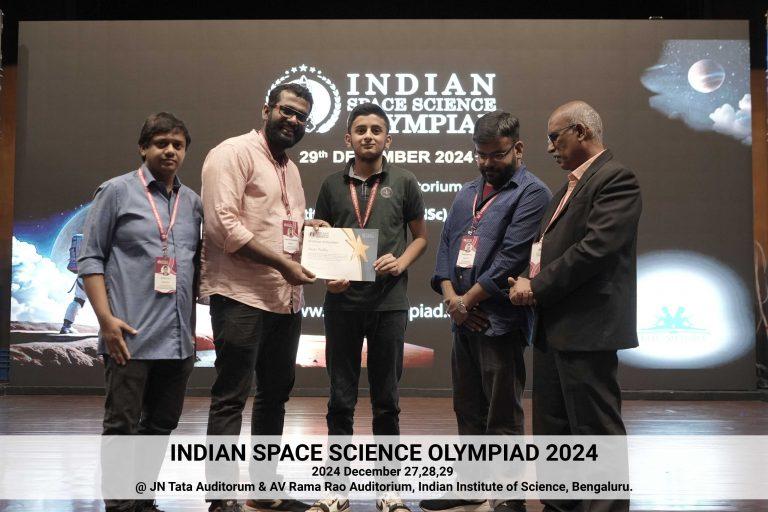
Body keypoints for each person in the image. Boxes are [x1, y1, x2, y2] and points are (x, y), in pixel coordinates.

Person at [509, 101, 642, 512]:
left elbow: (595, 250)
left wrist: (536, 286)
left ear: (581, 132)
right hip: (553, 327)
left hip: (588, 329)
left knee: (594, 431)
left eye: (555, 137)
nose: (549, 147)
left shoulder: (615, 179)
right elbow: (547, 250)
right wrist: (525, 281)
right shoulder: (566, 189)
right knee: (554, 430)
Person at [200, 83, 327, 512]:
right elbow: (223, 226)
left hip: (284, 300)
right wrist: (281, 264)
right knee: (231, 397)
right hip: (241, 296)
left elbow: (279, 228)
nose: (293, 121)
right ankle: (221, 498)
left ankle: (264, 489)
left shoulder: (291, 168)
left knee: (274, 396)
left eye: (302, 117)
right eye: (286, 111)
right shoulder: (232, 153)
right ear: (266, 109)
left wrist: (309, 231)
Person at [421, 111, 551, 512]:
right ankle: (472, 484)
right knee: (467, 407)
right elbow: (446, 248)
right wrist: (453, 300)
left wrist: (467, 301)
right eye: (480, 154)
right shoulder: (466, 193)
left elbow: (512, 257)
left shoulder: (533, 193)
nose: (487, 162)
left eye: (496, 154)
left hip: (500, 321)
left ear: (518, 148)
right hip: (463, 319)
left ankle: (510, 496)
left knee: (502, 411)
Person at [78, 112, 201, 512]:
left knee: (161, 424)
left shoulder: (192, 203)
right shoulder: (115, 192)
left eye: (178, 145)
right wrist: (105, 321)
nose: (170, 151)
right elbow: (90, 259)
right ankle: (120, 506)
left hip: (178, 340)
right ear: (143, 148)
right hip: (129, 336)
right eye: (161, 143)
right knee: (122, 426)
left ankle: (143, 500)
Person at [311, 103, 428, 512]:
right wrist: (328, 275)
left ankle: (389, 488)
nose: (368, 135)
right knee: (340, 400)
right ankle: (336, 489)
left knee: (386, 401)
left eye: (376, 129)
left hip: (389, 305)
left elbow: (420, 237)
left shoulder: (405, 181)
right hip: (342, 305)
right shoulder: (330, 184)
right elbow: (321, 239)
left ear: (388, 139)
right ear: (348, 138)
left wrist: (402, 261)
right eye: (360, 129)